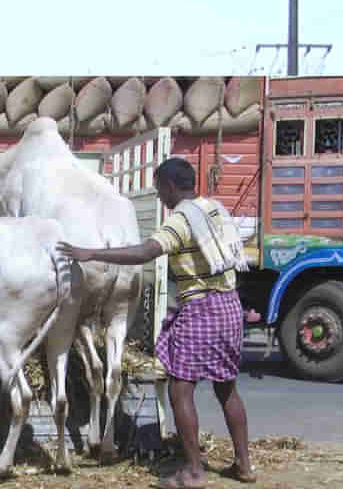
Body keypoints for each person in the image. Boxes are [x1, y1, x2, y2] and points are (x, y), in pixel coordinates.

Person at [57, 157, 254, 488]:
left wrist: (91, 254)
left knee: (180, 390)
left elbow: (145, 252)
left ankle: (193, 472)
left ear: (171, 186)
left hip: (201, 308)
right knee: (227, 387)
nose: (160, 196)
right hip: (229, 305)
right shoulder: (215, 209)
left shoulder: (180, 221)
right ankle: (244, 465)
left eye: (160, 188)